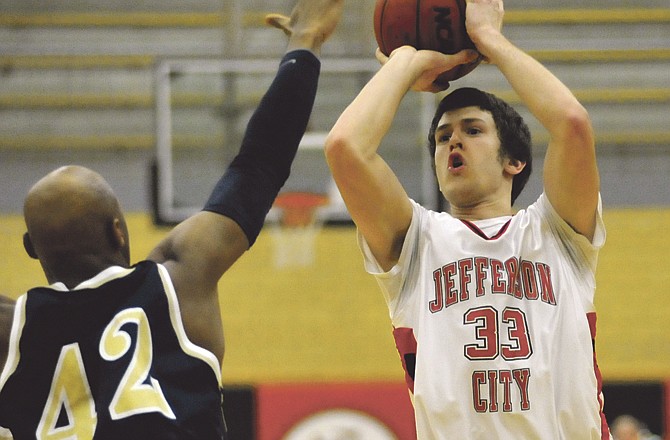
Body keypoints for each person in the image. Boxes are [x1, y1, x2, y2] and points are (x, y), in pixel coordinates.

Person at [0, 0, 344, 437]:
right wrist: (304, 43)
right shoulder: (176, 281)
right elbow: (258, 164)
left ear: (31, 248)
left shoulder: (11, 329)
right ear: (118, 230)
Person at [324, 0, 609, 438]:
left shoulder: (558, 232)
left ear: (513, 161)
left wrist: (489, 39)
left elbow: (571, 122)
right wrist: (406, 61)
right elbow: (345, 147)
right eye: (442, 137)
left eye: (473, 130)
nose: (453, 139)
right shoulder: (417, 243)